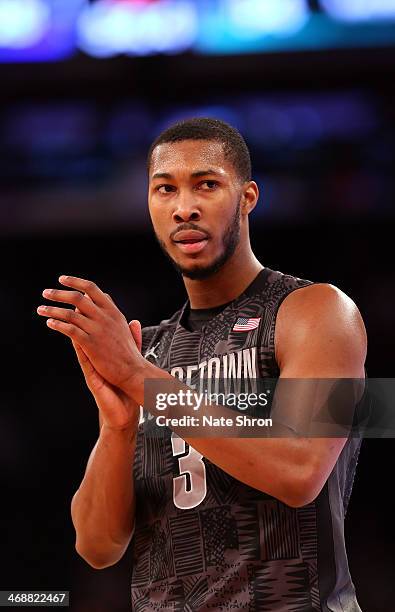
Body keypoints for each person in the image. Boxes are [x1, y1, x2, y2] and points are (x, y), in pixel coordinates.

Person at [37, 118, 367, 610]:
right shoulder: (146, 348)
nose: (184, 208)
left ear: (248, 196)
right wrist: (118, 426)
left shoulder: (318, 312)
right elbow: (98, 547)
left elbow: (300, 472)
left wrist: (139, 380)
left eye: (206, 185)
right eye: (164, 189)